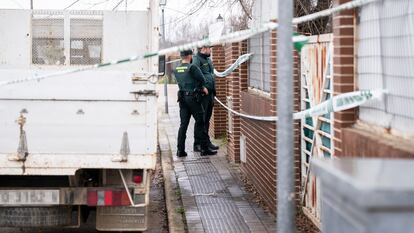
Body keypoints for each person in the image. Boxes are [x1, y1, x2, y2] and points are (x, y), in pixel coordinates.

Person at [173, 49, 217, 157]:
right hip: (193, 98)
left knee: (183, 125)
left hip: (182, 98)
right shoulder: (192, 67)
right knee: (201, 122)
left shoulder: (176, 69)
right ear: (189, 56)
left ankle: (180, 150)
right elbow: (202, 80)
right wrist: (202, 87)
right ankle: (204, 149)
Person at [192, 46, 219, 152]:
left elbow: (211, 74)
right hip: (203, 94)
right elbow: (193, 75)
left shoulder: (207, 59)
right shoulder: (196, 59)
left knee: (207, 119)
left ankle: (206, 142)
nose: (211, 50)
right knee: (201, 120)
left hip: (210, 94)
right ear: (203, 48)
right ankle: (197, 144)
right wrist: (202, 87)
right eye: (209, 48)